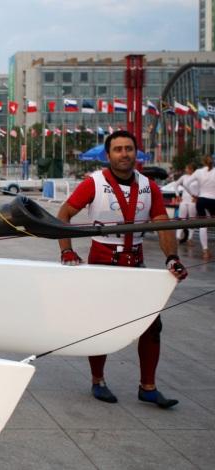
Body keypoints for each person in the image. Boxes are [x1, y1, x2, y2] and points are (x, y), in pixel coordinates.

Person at [56, 130, 187, 409]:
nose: (124, 154)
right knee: (101, 326)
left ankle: (148, 388)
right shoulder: (93, 183)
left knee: (152, 325)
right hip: (103, 264)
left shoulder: (149, 186)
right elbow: (64, 214)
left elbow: (163, 224)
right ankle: (98, 381)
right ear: (108, 155)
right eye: (118, 149)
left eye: (129, 148)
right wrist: (66, 250)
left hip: (136, 265)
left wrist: (172, 258)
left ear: (135, 153)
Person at [191, 155, 215, 260]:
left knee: (203, 225)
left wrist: (194, 194)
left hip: (201, 200)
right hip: (213, 200)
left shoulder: (198, 172)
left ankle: (205, 251)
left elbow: (188, 183)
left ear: (203, 162)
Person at [174, 163, 199, 244]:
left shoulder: (197, 178)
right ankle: (177, 237)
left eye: (187, 168)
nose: (185, 170)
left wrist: (198, 197)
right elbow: (175, 185)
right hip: (184, 200)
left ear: (192, 169)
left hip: (193, 201)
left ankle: (190, 239)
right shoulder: (184, 177)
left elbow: (202, 188)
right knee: (181, 219)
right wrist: (177, 195)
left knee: (192, 220)